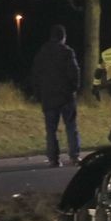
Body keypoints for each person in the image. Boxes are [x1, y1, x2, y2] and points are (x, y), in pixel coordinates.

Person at [30, 24, 81, 167]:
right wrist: (74, 88)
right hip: (66, 96)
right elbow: (74, 72)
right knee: (71, 126)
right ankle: (74, 156)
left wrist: (38, 93)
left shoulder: (42, 53)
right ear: (63, 37)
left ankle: (53, 159)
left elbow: (35, 75)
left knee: (51, 130)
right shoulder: (67, 52)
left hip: (48, 97)